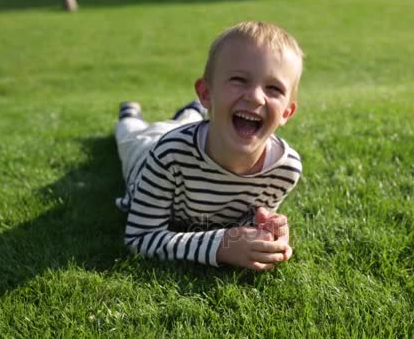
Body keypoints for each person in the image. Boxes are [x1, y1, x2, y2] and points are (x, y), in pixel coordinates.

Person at [113, 21, 304, 271]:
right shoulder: (169, 155)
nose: (256, 97)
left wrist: (267, 231)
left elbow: (244, 217)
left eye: (274, 88)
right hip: (147, 150)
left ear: (287, 112)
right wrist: (220, 247)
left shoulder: (284, 169)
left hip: (207, 125)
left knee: (210, 121)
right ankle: (129, 113)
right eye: (239, 79)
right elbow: (140, 237)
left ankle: (192, 112)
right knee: (132, 135)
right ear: (206, 93)